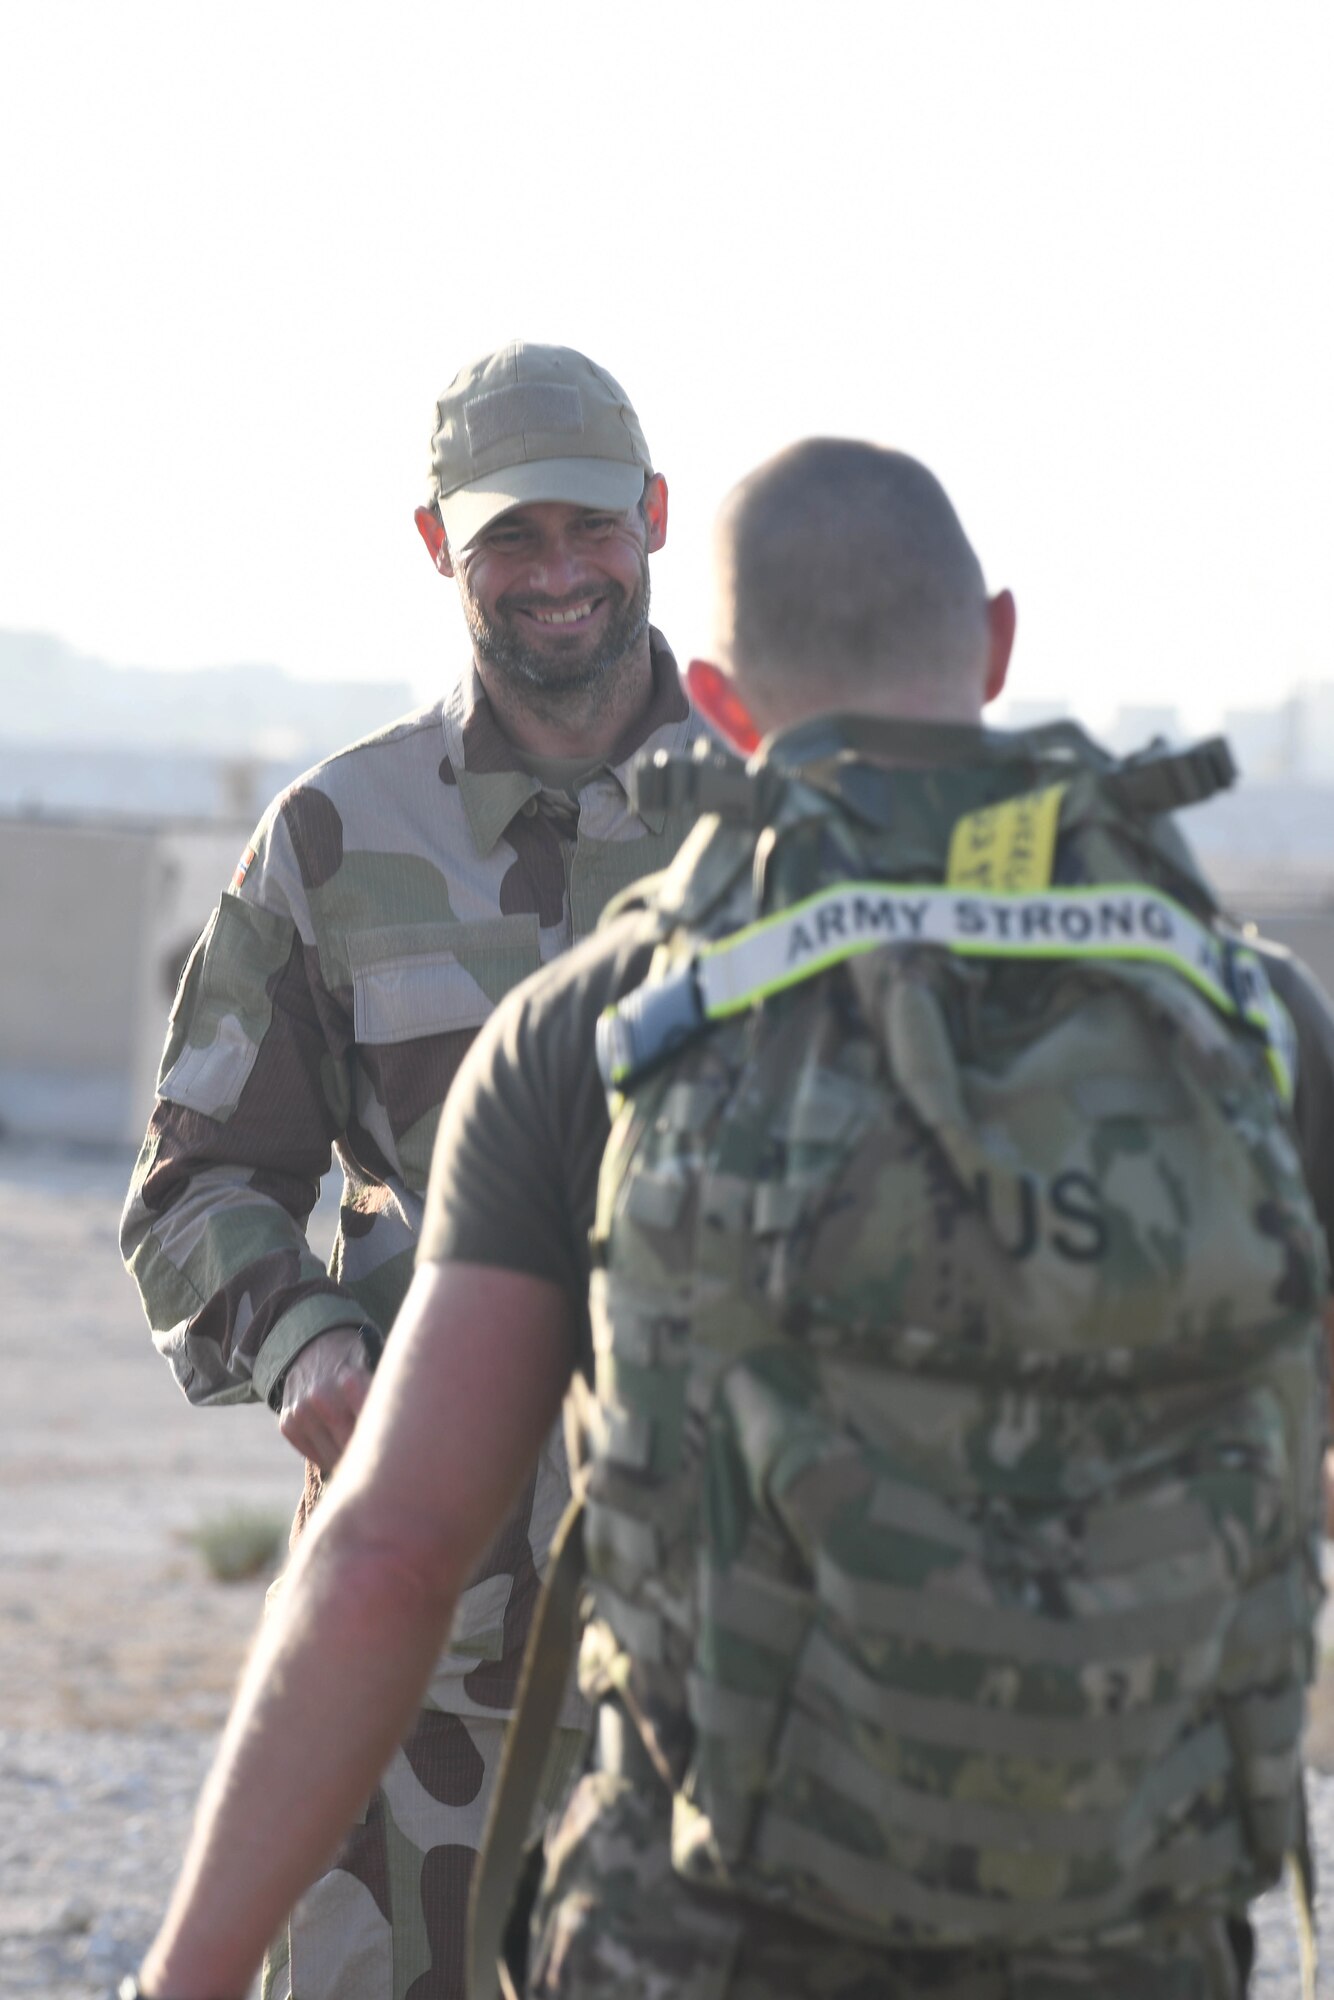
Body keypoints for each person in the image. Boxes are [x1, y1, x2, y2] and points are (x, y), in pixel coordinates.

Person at [127, 440, 1334, 2000]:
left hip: (712, 1941)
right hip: (1131, 1939)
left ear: (721, 702)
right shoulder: (1252, 1022)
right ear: (994, 646)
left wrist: (183, 1980)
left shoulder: (605, 1026)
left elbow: (392, 1557)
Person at [119, 341, 708, 2000]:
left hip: (729, 1655)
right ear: (439, 544)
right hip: (424, 1649)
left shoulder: (787, 824)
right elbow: (193, 1183)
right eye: (509, 536)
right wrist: (304, 1341)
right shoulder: (336, 839)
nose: (558, 573)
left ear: (655, 519)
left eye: (589, 528)